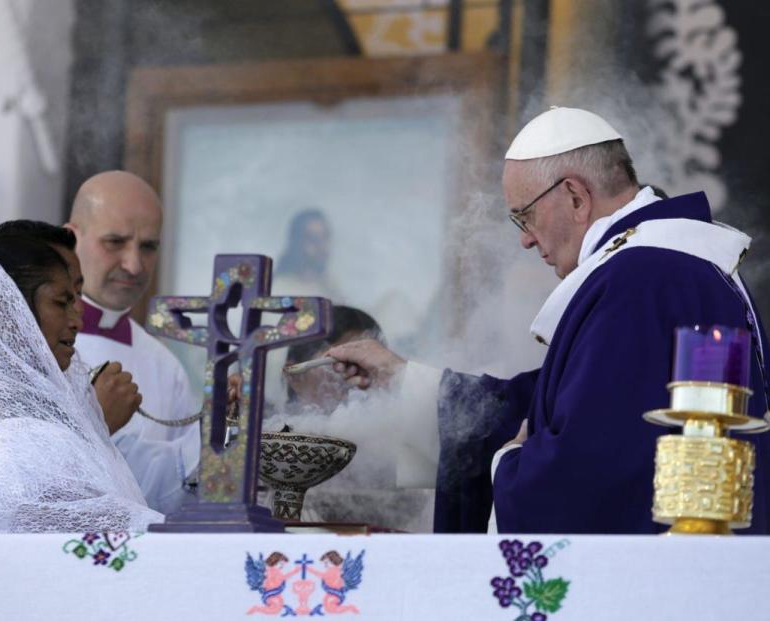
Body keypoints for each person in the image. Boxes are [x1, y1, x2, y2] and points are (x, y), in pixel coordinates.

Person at [325, 107, 770, 534]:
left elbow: (592, 462)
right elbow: (553, 403)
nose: (523, 239)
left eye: (525, 215)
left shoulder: (640, 279)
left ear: (575, 197)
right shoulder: (664, 266)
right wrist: (405, 382)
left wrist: (512, 460)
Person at [0, 230, 162, 533]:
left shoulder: (42, 416)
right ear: (10, 313)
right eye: (62, 301)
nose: (77, 319)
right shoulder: (21, 439)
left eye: (77, 297)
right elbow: (106, 537)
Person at [66, 171, 200, 513]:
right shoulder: (25, 348)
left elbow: (183, 493)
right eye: (114, 242)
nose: (134, 264)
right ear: (71, 239)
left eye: (148, 247)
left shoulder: (164, 364)